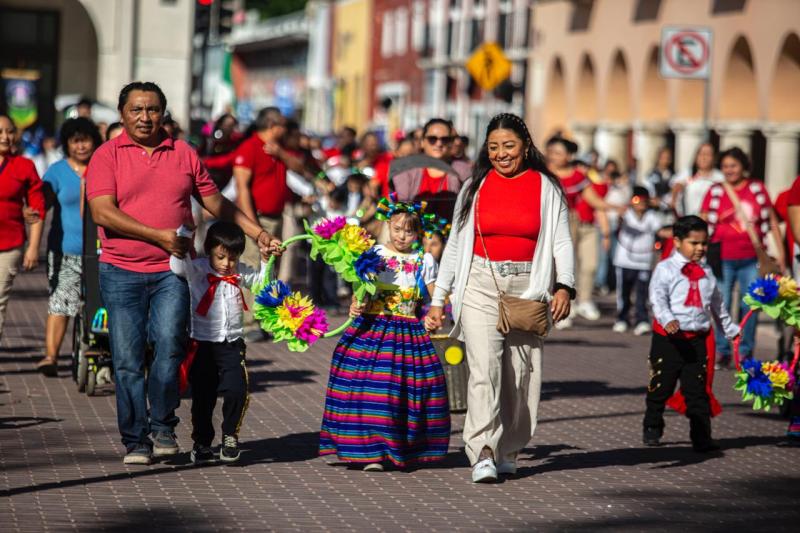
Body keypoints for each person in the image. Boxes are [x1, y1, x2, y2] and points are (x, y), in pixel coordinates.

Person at [86, 81, 281, 466]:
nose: (145, 117)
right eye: (137, 110)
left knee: (170, 348)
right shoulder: (107, 155)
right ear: (123, 113)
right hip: (121, 270)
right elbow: (102, 212)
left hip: (172, 273)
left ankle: (162, 427)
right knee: (126, 359)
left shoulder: (182, 153)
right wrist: (158, 235)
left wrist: (257, 233)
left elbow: (216, 203)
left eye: (153, 109)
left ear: (164, 113)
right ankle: (136, 440)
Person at [426, 113, 575, 483]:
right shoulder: (474, 187)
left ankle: (509, 448)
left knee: (520, 375)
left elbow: (560, 242)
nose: (501, 154)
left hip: (528, 287)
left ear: (525, 147)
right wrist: (439, 298)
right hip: (479, 283)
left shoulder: (546, 187)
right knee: (484, 370)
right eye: (493, 147)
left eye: (508, 146)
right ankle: (483, 451)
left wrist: (564, 286)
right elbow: (456, 247)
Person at [319, 199, 450, 471]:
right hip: (373, 327)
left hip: (408, 332)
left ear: (419, 233)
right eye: (398, 229)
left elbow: (437, 293)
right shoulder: (374, 254)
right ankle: (371, 451)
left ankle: (400, 446)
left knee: (408, 388)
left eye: (409, 231)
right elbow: (361, 290)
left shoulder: (423, 260)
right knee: (369, 388)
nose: (402, 236)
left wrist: (437, 311)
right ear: (388, 225)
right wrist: (356, 304)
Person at [170, 221, 267, 464]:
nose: (226, 264)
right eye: (220, 257)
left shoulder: (239, 272)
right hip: (202, 344)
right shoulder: (199, 270)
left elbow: (262, 284)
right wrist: (183, 235)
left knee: (237, 389)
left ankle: (230, 435)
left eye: (232, 259)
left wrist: (266, 261)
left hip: (232, 343)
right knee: (203, 396)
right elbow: (178, 268)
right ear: (209, 250)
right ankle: (202, 442)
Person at [645, 215, 739, 451]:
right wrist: (667, 319)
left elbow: (717, 304)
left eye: (703, 244)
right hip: (670, 339)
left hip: (697, 339)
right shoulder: (666, 268)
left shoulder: (707, 271)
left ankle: (701, 436)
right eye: (694, 243)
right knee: (661, 386)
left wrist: (729, 328)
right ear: (677, 241)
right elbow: (658, 298)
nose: (700, 249)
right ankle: (652, 425)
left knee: (697, 390)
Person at [700, 147, 785, 368]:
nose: (729, 170)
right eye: (726, 166)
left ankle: (745, 351)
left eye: (733, 166)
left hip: (751, 257)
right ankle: (723, 350)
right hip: (722, 257)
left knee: (750, 308)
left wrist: (780, 253)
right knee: (722, 305)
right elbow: (703, 219)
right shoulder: (716, 191)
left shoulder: (756, 189)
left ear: (743, 167)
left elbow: (772, 222)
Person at [36, 118, 102, 376]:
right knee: (61, 301)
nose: (81, 146)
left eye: (85, 140)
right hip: (65, 249)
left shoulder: (103, 167)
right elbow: (43, 203)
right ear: (67, 144)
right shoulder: (57, 171)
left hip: (100, 251)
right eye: (75, 141)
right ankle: (50, 356)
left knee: (100, 303)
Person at [232, 107, 303, 339]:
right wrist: (253, 226)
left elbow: (300, 168)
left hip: (275, 217)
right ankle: (249, 322)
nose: (286, 129)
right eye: (282, 125)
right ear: (272, 125)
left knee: (269, 270)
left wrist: (281, 154)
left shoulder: (278, 150)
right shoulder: (248, 148)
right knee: (252, 267)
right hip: (258, 219)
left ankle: (264, 318)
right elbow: (242, 189)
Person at [545, 136, 611, 327]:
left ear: (569, 155)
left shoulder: (578, 175)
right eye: (552, 152)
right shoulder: (545, 174)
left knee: (589, 265)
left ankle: (585, 300)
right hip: (556, 222)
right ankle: (561, 307)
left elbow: (594, 199)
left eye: (559, 153)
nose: (554, 156)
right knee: (563, 266)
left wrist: (613, 206)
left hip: (577, 221)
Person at [0, 113, 45, 341]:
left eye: (9, 131)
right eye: (0, 132)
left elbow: (37, 211)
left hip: (9, 245)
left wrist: (33, 248)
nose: (5, 137)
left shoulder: (24, 166)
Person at [611, 187, 669, 335]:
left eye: (644, 200)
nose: (640, 203)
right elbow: (618, 219)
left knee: (642, 293)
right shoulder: (626, 214)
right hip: (624, 261)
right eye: (637, 199)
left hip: (644, 262)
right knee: (624, 293)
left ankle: (642, 320)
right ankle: (622, 319)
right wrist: (620, 213)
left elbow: (661, 230)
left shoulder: (652, 217)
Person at [392, 118, 465, 220]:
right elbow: (399, 209)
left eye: (445, 139)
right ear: (422, 142)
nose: (439, 144)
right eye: (432, 139)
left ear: (451, 142)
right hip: (413, 232)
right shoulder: (406, 171)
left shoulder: (464, 171)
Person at [672, 142, 723, 217]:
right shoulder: (687, 173)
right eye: (701, 154)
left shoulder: (720, 177)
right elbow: (675, 190)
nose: (704, 157)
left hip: (712, 221)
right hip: (690, 220)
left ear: (714, 157)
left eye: (708, 154)